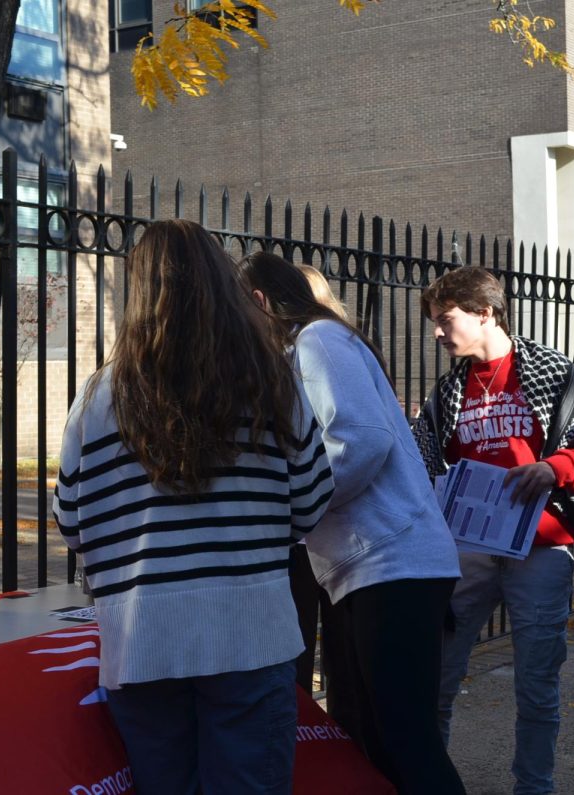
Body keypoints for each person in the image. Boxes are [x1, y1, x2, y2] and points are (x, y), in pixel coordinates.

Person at [53, 221, 335, 795]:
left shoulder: (97, 399)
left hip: (142, 641)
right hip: (249, 633)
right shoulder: (269, 382)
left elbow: (73, 522)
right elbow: (310, 502)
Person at [240, 251, 464, 795]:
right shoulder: (305, 348)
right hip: (373, 565)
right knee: (384, 741)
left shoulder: (319, 340)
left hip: (392, 562)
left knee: (406, 741)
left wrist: (296, 507)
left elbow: (360, 440)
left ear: (261, 302)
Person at [412, 265, 574, 795]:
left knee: (537, 686)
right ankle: (433, 782)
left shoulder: (551, 371)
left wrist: (554, 469)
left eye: (444, 320)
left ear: (484, 313)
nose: (436, 333)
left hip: (541, 549)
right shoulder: (448, 391)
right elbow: (428, 467)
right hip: (467, 550)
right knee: (436, 679)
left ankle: (534, 787)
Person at [288, 263, 345, 692]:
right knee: (305, 647)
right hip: (312, 528)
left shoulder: (319, 345)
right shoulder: (329, 342)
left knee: (326, 649)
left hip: (323, 518)